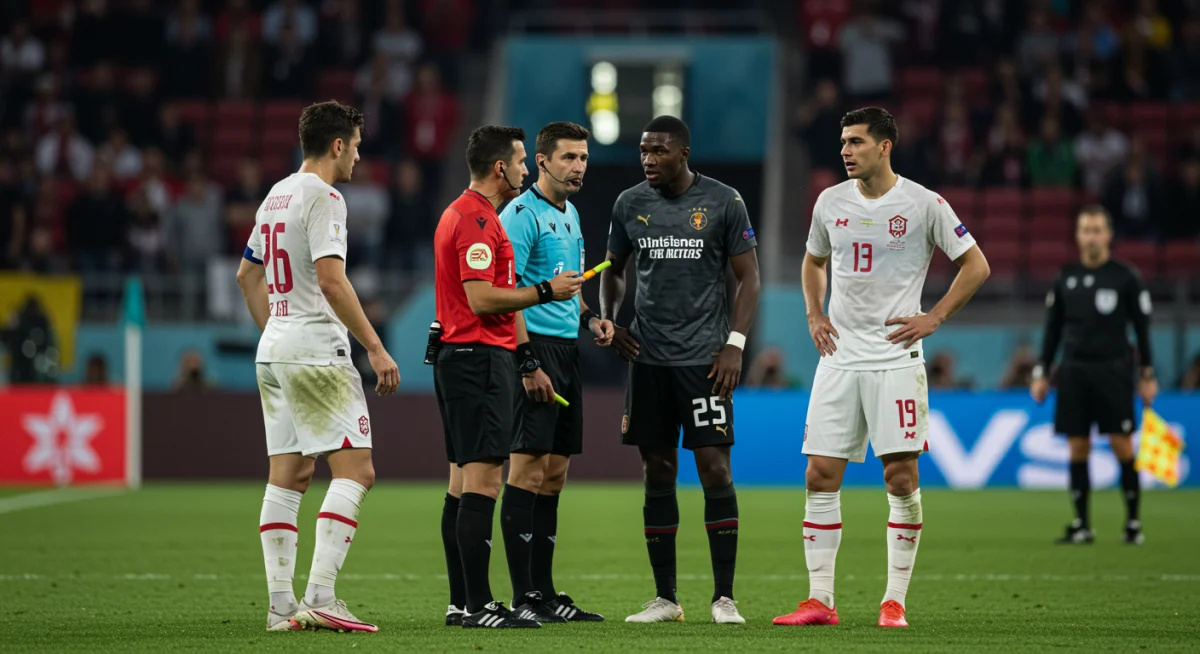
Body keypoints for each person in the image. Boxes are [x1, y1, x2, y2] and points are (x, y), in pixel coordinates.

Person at [775, 107, 990, 629]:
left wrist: (934, 317)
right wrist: (813, 313)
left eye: (856, 142)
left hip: (895, 357)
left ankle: (894, 601)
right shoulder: (830, 201)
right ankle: (820, 601)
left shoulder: (923, 204)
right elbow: (812, 259)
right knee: (819, 474)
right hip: (840, 357)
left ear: (885, 145)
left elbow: (976, 265)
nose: (845, 151)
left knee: (899, 477)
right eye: (843, 142)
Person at [235, 100, 400, 634]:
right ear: (337, 145)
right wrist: (374, 347)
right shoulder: (326, 197)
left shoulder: (275, 194)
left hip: (276, 345)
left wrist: (276, 335)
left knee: (289, 476)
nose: (357, 155)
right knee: (357, 470)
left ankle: (281, 608)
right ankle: (322, 595)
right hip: (315, 346)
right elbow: (332, 280)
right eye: (355, 145)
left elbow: (246, 276)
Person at [599, 115, 761, 625]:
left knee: (714, 467)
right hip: (647, 360)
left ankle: (724, 598)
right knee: (658, 469)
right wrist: (608, 318)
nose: (648, 159)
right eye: (643, 151)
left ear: (683, 153)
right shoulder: (630, 204)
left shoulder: (724, 201)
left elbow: (749, 277)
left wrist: (735, 344)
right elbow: (614, 270)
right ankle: (666, 599)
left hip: (705, 361)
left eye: (659, 151)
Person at [433, 125, 583, 629]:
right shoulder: (479, 220)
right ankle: (478, 605)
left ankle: (464, 603)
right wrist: (545, 293)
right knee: (482, 481)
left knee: (463, 483)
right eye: (522, 162)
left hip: (473, 355)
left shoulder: (468, 215)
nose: (525, 169)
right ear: (502, 167)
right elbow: (481, 298)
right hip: (477, 357)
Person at [496, 121, 612, 624]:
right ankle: (523, 595)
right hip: (533, 350)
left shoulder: (572, 213)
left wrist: (591, 319)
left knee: (555, 474)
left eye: (583, 158)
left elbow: (572, 286)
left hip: (566, 352)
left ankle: (544, 593)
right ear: (541, 161)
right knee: (525, 470)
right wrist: (526, 362)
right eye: (568, 158)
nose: (578, 167)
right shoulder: (519, 215)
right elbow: (505, 293)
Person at [1031, 206, 1157, 546]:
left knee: (1121, 444)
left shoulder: (1125, 277)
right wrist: (1042, 372)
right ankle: (1081, 524)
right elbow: (1052, 331)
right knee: (1077, 446)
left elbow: (1142, 330)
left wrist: (1147, 373)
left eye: (1098, 230)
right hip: (1073, 370)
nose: (1091, 236)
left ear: (1109, 235)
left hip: (1114, 369)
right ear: (1077, 236)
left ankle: (1132, 523)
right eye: (1086, 230)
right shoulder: (1065, 277)